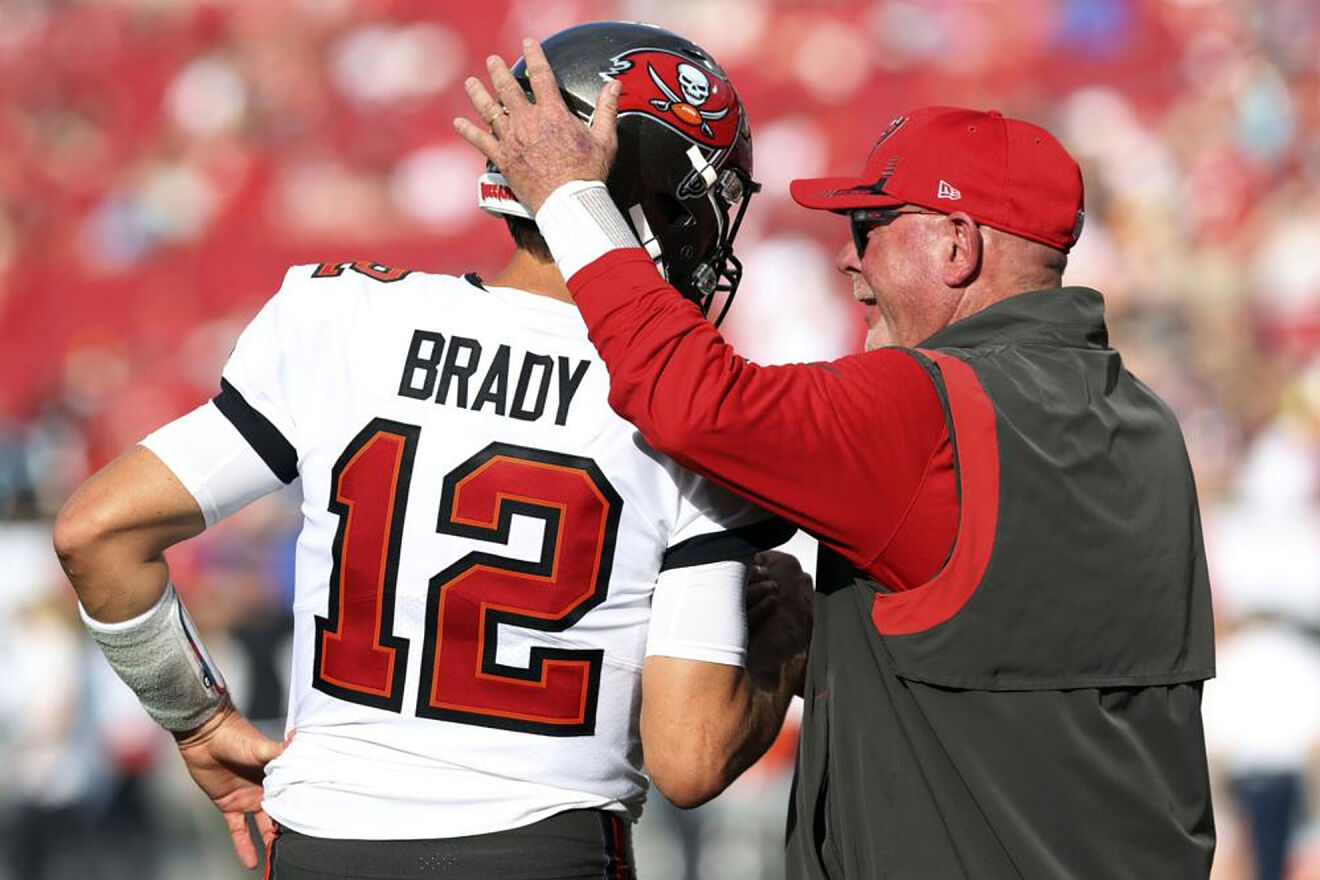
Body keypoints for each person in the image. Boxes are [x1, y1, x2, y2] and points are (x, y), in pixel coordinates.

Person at [52, 21, 810, 880]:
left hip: (316, 849)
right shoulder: (691, 397)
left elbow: (96, 532)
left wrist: (196, 719)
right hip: (544, 850)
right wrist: (787, 639)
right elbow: (692, 757)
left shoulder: (341, 318)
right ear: (651, 189)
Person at [457, 45, 1217, 878]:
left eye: (869, 229)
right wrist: (846, 644)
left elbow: (688, 399)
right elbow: (1039, 671)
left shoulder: (926, 405)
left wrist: (572, 201)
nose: (849, 261)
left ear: (957, 246)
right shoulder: (1141, 421)